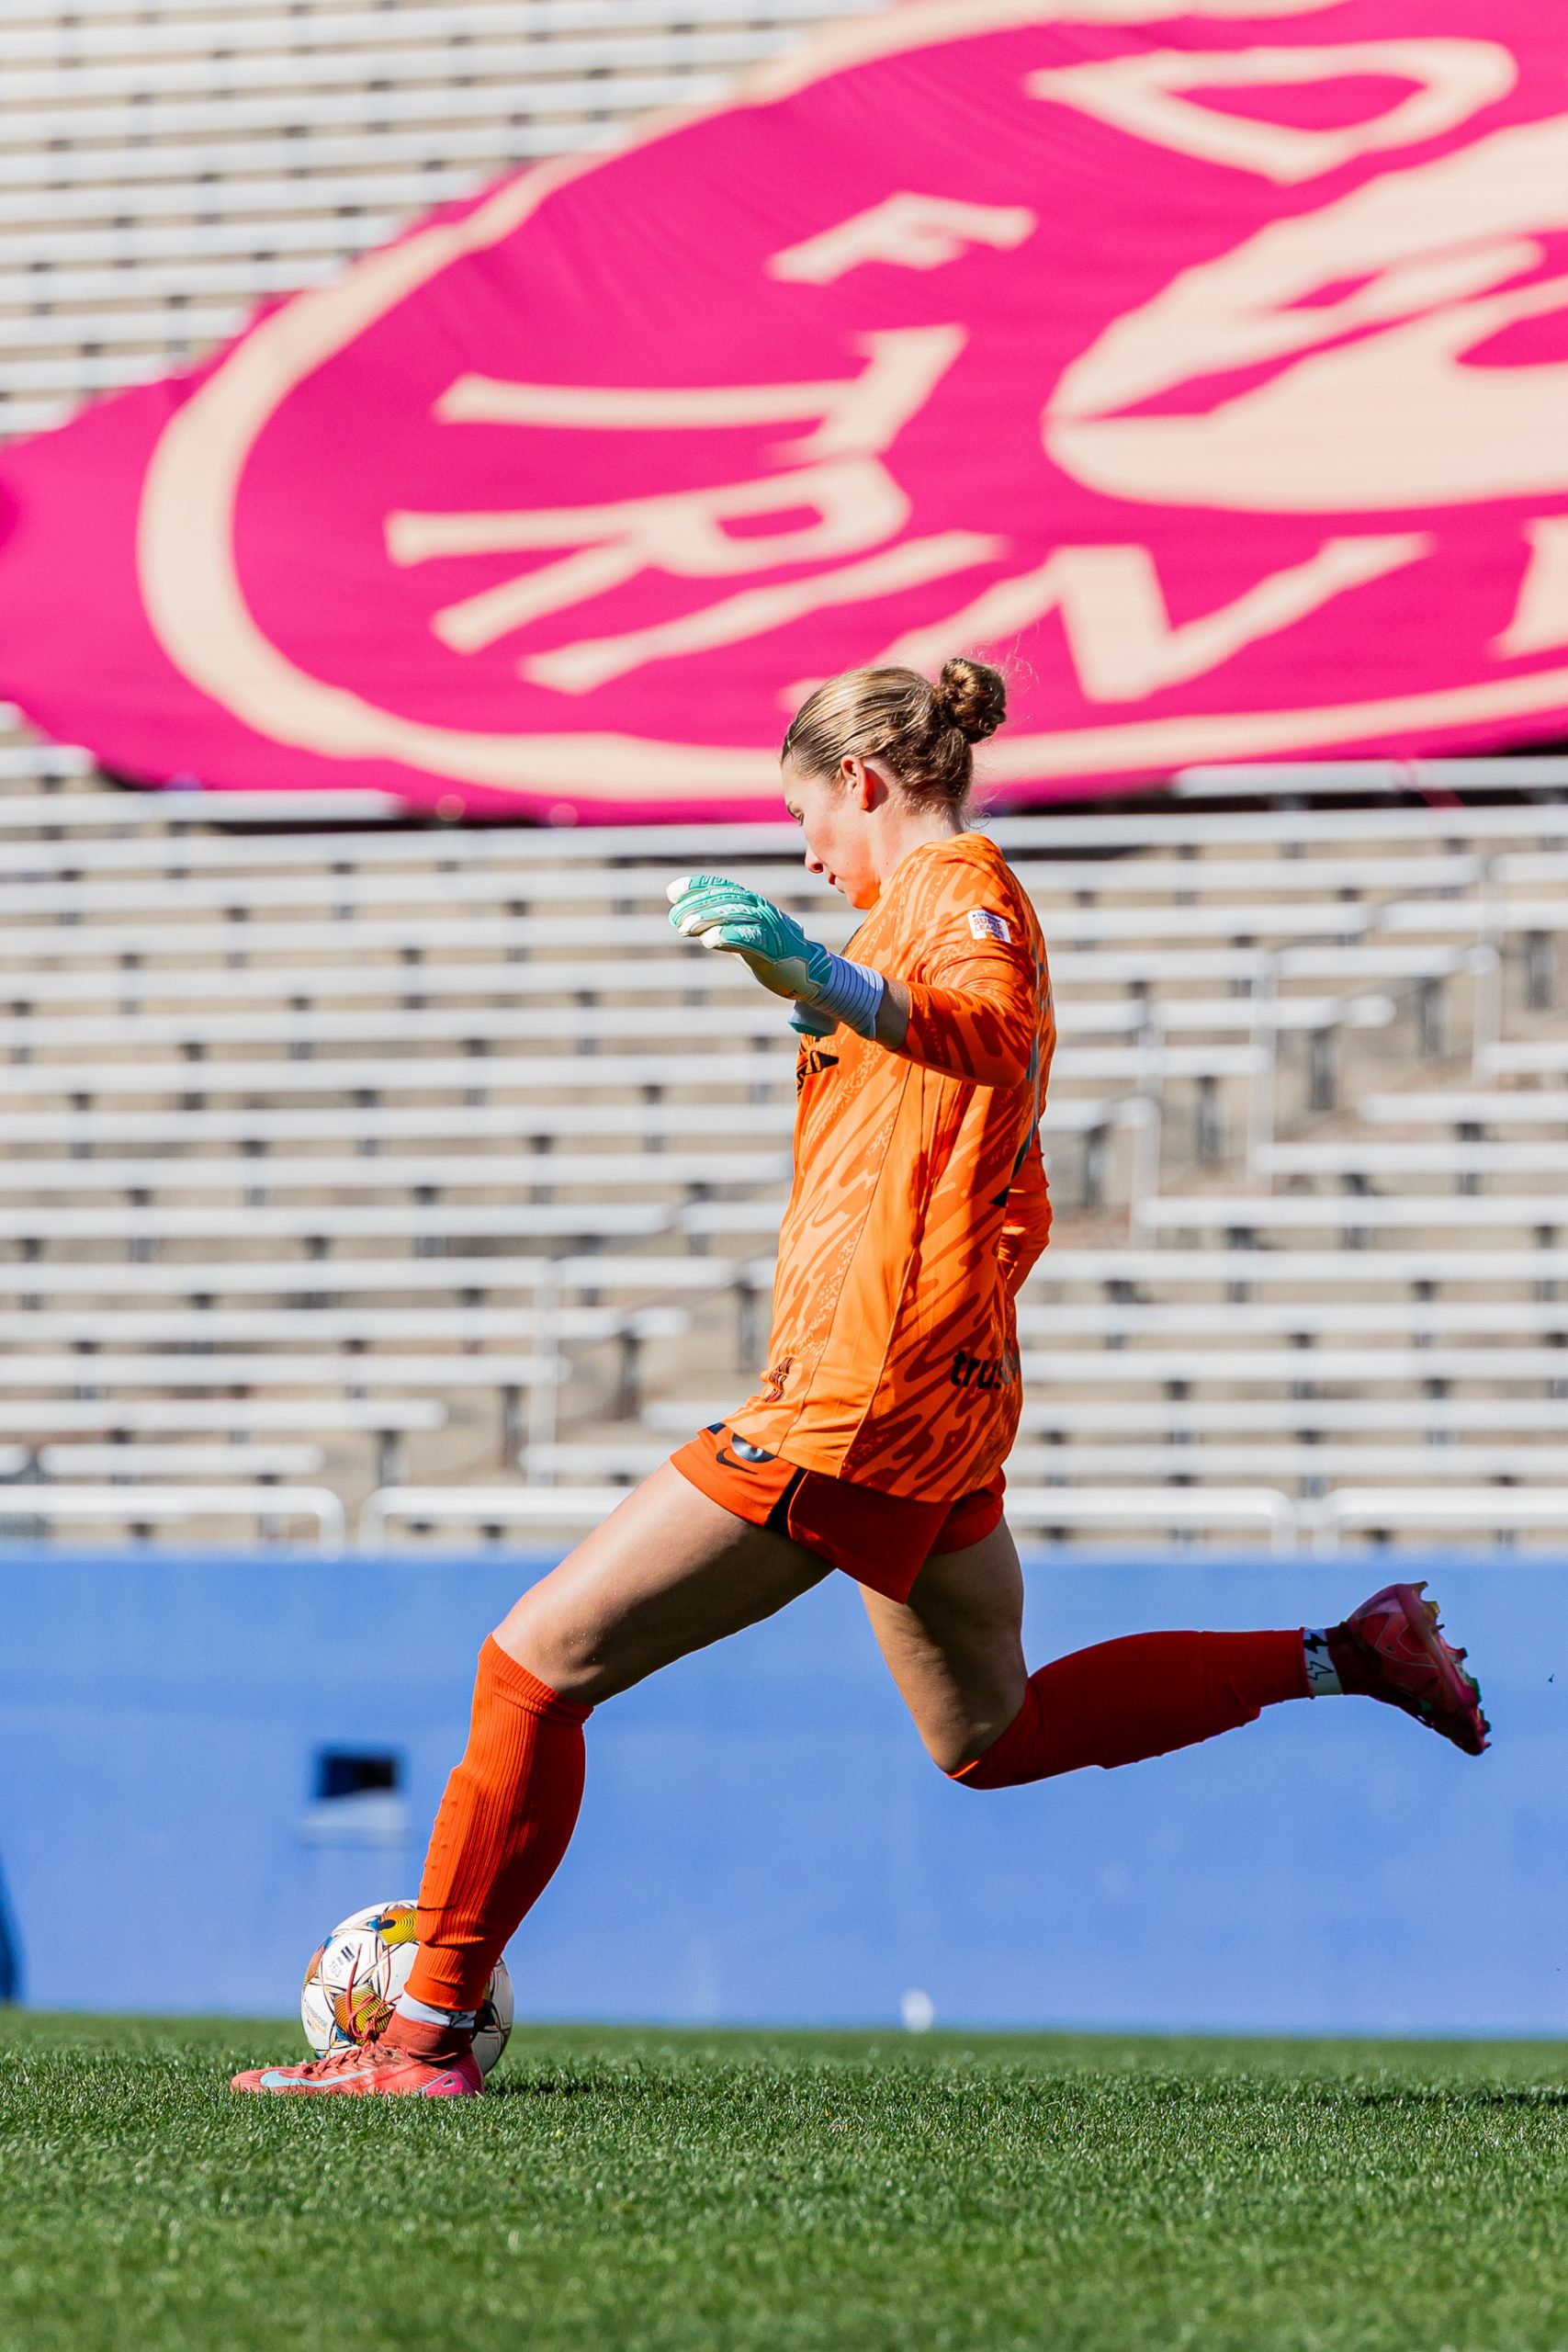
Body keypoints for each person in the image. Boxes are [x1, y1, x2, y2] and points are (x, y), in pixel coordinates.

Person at [232, 656, 1489, 2099]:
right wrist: (842, 994)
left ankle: (423, 2036)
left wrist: (829, 981)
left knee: (529, 1672)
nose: (809, 863)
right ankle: (1349, 1651)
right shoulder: (914, 919)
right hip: (937, 1391)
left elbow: (991, 1038)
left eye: (808, 827)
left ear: (862, 783)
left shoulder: (959, 895)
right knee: (991, 1734)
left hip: (863, 1391)